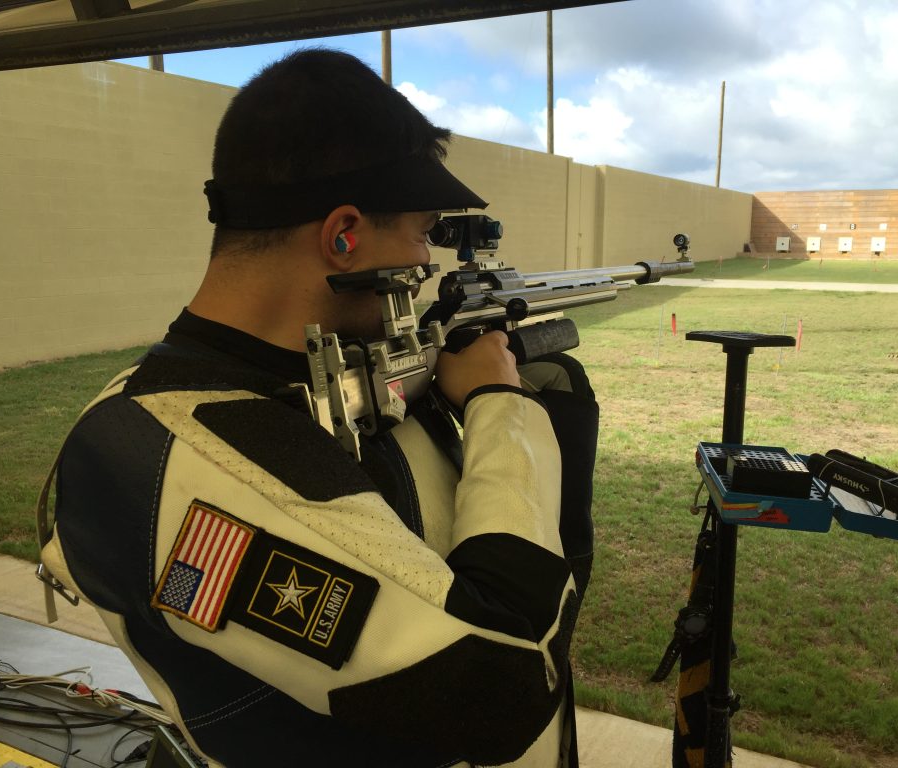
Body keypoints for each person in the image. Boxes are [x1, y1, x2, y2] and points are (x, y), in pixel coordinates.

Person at [37, 48, 599, 767]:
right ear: (343, 236)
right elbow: (508, 681)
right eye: (423, 232)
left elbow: (536, 590)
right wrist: (498, 406)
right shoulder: (153, 450)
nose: (428, 264)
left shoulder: (361, 388)